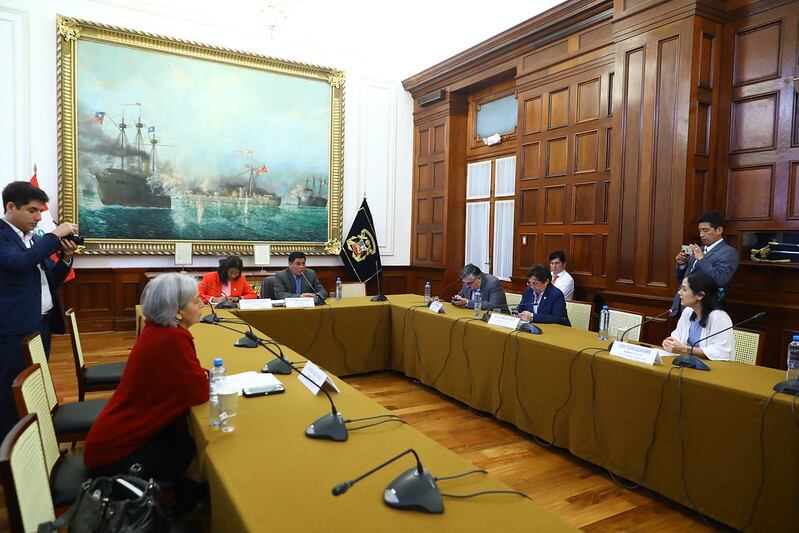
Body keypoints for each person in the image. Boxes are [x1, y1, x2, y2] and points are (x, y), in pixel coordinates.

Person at [84, 273, 209, 499]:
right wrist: (206, 377)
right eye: (195, 300)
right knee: (201, 457)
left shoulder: (158, 330)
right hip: (115, 453)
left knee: (185, 440)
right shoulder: (173, 338)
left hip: (114, 437)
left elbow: (186, 379)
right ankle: (185, 512)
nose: (202, 303)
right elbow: (198, 392)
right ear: (178, 311)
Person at [0, 181, 78, 438]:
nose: (38, 217)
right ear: (11, 207)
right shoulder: (3, 236)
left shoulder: (32, 240)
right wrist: (54, 237)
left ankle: (35, 434)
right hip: (15, 328)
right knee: (13, 389)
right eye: (32, 211)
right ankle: (12, 447)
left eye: (40, 212)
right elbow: (18, 263)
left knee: (35, 384)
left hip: (40, 324)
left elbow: (52, 280)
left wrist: (65, 257)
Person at [672, 212, 739, 316]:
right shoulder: (700, 249)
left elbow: (720, 280)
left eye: (706, 230)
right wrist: (682, 265)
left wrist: (702, 260)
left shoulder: (729, 253)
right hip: (683, 306)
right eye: (700, 231)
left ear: (719, 230)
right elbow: (683, 280)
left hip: (705, 309)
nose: (701, 235)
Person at [662, 271, 735, 361]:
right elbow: (677, 338)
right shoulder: (688, 312)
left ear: (699, 295)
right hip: (688, 364)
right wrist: (669, 343)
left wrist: (683, 349)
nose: (679, 293)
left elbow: (721, 352)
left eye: (684, 289)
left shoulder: (719, 317)